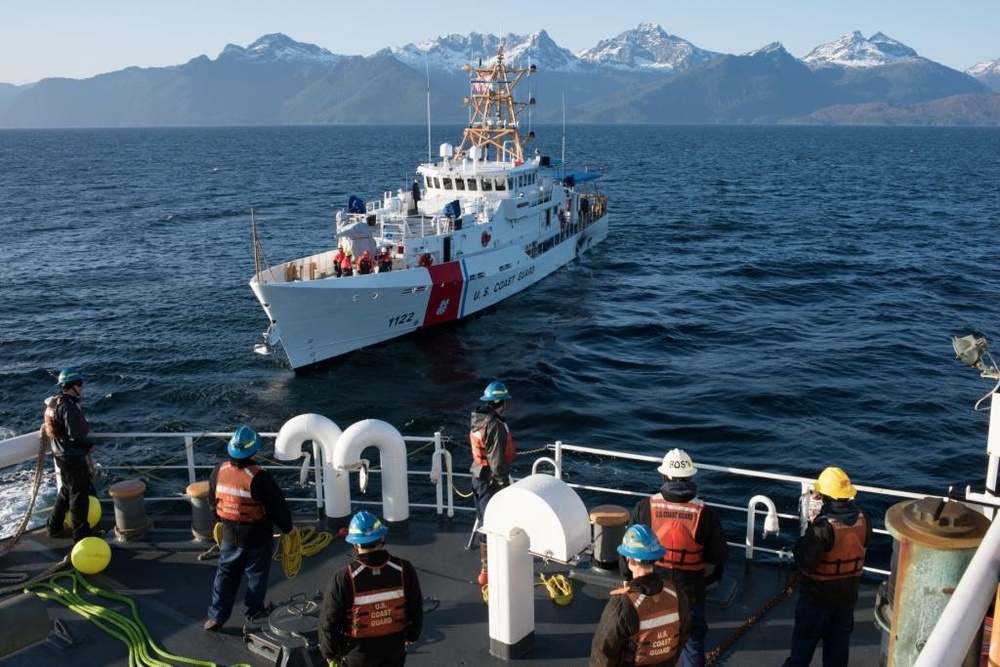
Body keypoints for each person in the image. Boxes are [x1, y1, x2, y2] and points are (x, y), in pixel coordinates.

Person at [626, 448, 727, 667]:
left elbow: (630, 548)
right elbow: (717, 555)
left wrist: (628, 581)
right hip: (690, 590)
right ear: (690, 477)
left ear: (665, 476)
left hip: (651, 589)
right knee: (692, 641)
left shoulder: (645, 508)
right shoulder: (705, 513)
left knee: (648, 640)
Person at [205, 426, 293, 632]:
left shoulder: (219, 470)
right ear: (254, 450)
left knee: (225, 574)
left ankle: (216, 616)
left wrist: (221, 517)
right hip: (257, 535)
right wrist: (288, 529)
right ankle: (253, 612)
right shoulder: (260, 477)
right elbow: (277, 506)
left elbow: (212, 499)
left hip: (229, 534)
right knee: (256, 575)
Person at [782, 467, 871, 667]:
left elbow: (807, 563)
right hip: (846, 600)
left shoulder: (823, 527)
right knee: (837, 656)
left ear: (824, 496)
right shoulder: (864, 518)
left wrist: (800, 543)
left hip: (816, 601)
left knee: (801, 654)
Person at [319, 511, 423, 666]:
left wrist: (330, 653)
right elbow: (415, 608)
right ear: (382, 538)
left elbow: (329, 622)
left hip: (357, 656)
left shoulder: (344, 578)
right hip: (394, 652)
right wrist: (412, 636)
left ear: (355, 544)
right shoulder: (404, 569)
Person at [590, 524, 689, 666]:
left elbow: (603, 654)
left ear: (630, 560)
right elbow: (683, 634)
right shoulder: (676, 594)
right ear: (655, 558)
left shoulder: (621, 605)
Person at [41, 366, 100, 542]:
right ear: (72, 385)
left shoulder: (54, 401)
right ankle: (81, 535)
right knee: (79, 497)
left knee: (66, 493)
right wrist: (88, 445)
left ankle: (54, 526)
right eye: (80, 383)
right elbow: (74, 435)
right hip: (72, 457)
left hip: (60, 455)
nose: (82, 386)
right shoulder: (68, 406)